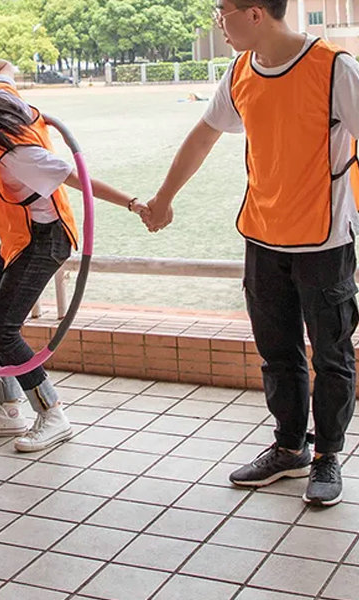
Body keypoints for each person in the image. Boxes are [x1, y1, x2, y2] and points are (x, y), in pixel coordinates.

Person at [143, 0, 359, 506]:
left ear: (256, 13)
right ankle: (290, 448)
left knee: (331, 355)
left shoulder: (334, 69)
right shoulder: (241, 71)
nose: (220, 23)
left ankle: (327, 455)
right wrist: (163, 198)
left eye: (223, 12)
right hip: (262, 236)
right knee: (277, 352)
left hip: (324, 240)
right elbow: (204, 135)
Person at [0, 59, 145, 452]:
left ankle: (52, 412)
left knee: (1, 330)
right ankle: (8, 410)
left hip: (46, 239)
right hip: (18, 236)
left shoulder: (15, 154)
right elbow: (4, 65)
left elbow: (77, 179)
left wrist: (134, 204)